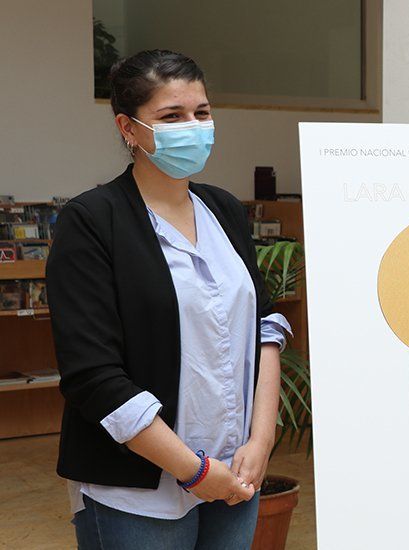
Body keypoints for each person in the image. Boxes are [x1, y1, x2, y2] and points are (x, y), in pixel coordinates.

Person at [46, 50, 291, 549]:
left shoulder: (222, 208)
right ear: (128, 128)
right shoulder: (92, 221)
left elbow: (266, 327)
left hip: (235, 472)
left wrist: (261, 441)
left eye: (201, 113)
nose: (194, 127)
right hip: (139, 487)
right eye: (172, 116)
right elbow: (92, 374)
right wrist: (193, 470)